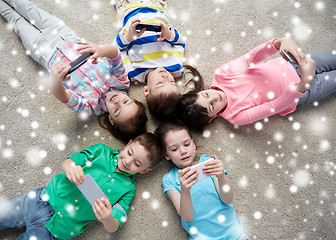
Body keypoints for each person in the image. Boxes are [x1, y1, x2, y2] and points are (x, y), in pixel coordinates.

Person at [0, 0, 147, 143]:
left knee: (16, 21)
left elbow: (63, 96)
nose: (117, 101)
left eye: (117, 110)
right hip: (64, 34)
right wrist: (101, 50)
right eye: (126, 101)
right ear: (132, 99)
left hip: (45, 53)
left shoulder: (91, 106)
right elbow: (114, 54)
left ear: (111, 119)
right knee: (27, 7)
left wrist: (56, 80)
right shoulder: (122, 81)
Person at [0, 132, 163, 239]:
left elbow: (115, 225)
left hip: (56, 229)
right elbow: (68, 162)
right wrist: (71, 168)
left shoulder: (128, 189)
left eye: (137, 163)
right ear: (128, 144)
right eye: (129, 153)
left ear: (145, 170)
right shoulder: (101, 151)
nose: (128, 161)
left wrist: (107, 218)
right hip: (40, 199)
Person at [178, 37, 336, 131]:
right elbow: (272, 107)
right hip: (303, 90)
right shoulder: (235, 116)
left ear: (200, 91)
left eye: (206, 95)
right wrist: (304, 82)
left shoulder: (222, 75)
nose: (215, 97)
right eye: (212, 106)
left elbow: (252, 57)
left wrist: (278, 43)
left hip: (292, 63)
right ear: (211, 119)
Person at [155, 121, 249, 240]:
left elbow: (228, 199)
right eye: (174, 149)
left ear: (193, 144)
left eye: (187, 144)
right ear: (166, 155)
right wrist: (185, 190)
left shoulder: (208, 163)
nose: (183, 151)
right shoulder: (170, 179)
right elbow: (187, 217)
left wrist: (221, 177)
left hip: (234, 234)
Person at [113, 1, 201, 120]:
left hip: (129, 10)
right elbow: (180, 43)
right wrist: (169, 35)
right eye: (172, 82)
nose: (166, 77)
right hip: (155, 7)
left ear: (146, 90)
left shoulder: (132, 72)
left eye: (160, 83)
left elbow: (116, 51)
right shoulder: (176, 68)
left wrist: (128, 37)